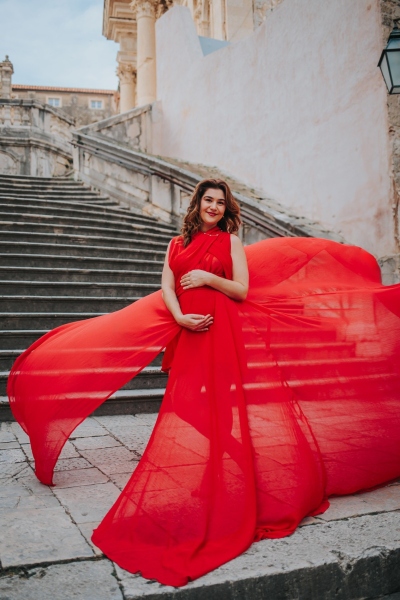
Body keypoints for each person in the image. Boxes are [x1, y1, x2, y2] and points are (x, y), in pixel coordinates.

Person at [7, 178, 400, 587]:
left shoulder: (229, 241)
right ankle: (233, 460)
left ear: (226, 209)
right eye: (208, 200)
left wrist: (208, 279)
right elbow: (166, 286)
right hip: (189, 329)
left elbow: (242, 290)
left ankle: (226, 476)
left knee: (213, 405)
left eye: (220, 202)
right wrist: (178, 317)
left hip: (219, 330)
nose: (213, 207)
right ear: (197, 204)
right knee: (190, 406)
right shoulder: (176, 244)